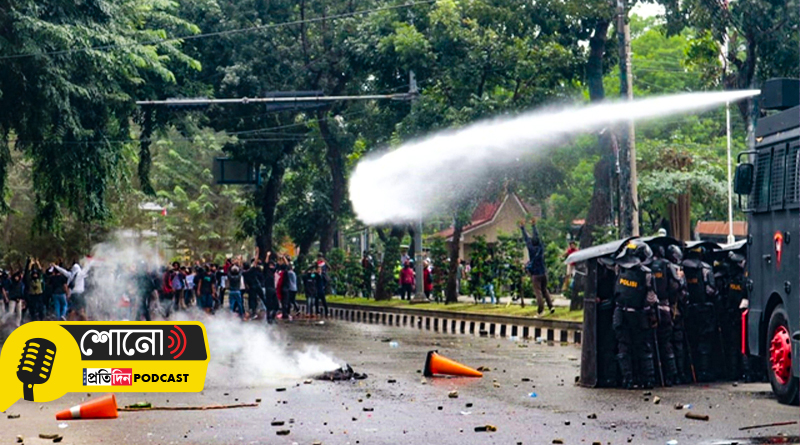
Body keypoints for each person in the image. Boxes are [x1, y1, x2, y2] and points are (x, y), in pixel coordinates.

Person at [612, 240, 659, 389]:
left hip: (620, 313)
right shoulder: (646, 273)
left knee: (623, 347)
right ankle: (648, 380)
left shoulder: (619, 268)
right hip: (639, 315)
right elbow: (651, 298)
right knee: (644, 347)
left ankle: (628, 380)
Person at [682, 245, 718, 382]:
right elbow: (711, 290)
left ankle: (690, 372)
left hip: (689, 309)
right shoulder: (706, 268)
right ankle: (703, 371)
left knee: (691, 340)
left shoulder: (682, 267)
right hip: (704, 309)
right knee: (704, 341)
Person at [649, 245, 679, 386]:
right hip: (665, 308)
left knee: (651, 344)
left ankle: (654, 376)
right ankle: (671, 376)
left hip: (650, 311)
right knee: (666, 343)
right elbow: (675, 286)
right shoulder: (668, 266)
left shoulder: (646, 266)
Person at [720, 250, 752, 381]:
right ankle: (746, 373)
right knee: (743, 345)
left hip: (733, 314)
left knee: (735, 345)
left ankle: (736, 372)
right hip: (741, 315)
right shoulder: (744, 279)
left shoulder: (730, 279)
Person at [666, 245, 690, 384]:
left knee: (677, 344)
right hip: (672, 310)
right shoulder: (671, 270)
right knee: (672, 343)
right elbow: (676, 290)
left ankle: (678, 373)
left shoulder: (676, 269)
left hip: (676, 310)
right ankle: (674, 374)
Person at [519, 218, 553, 316]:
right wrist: (534, 226)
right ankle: (551, 306)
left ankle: (540, 310)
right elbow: (537, 236)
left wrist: (523, 228)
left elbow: (526, 239)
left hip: (535, 274)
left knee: (538, 292)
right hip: (543, 272)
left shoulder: (531, 249)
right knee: (545, 289)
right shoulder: (541, 248)